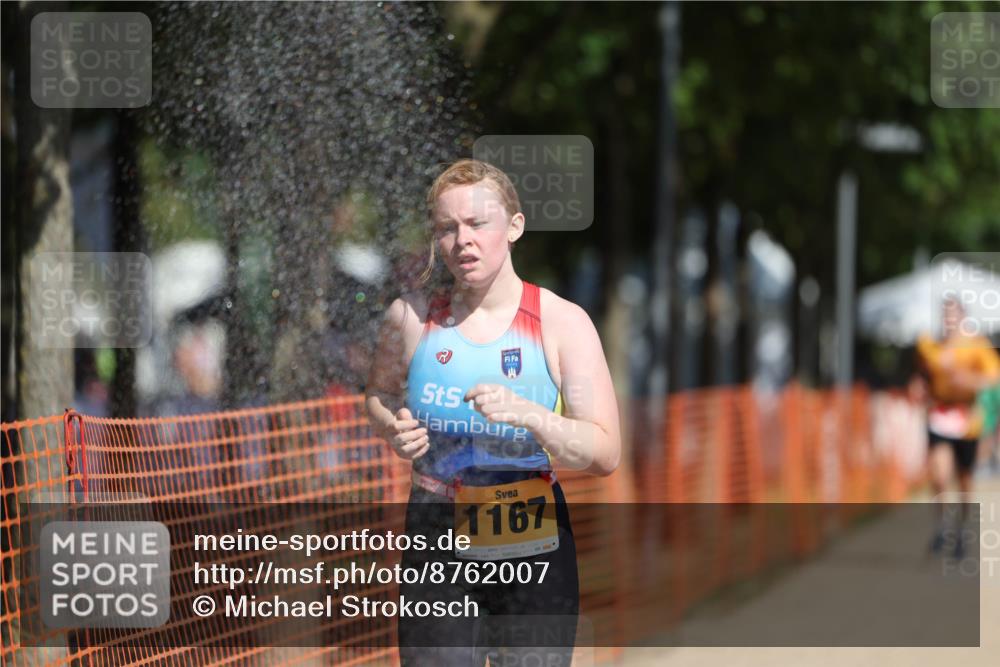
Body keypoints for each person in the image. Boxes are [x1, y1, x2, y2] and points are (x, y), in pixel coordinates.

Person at [365, 159, 621, 666]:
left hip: (535, 537)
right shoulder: (410, 317)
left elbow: (605, 451)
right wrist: (393, 426)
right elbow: (378, 394)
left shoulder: (562, 323)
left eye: (478, 223)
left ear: (514, 227)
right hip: (436, 529)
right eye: (447, 228)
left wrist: (530, 415)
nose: (463, 240)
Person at [914, 297, 1000, 558]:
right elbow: (922, 372)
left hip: (966, 421)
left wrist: (968, 380)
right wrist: (919, 385)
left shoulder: (976, 346)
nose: (948, 320)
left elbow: (993, 378)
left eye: (953, 315)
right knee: (939, 474)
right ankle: (941, 527)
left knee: (964, 479)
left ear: (962, 317)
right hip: (940, 415)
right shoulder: (931, 344)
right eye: (945, 315)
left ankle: (961, 530)